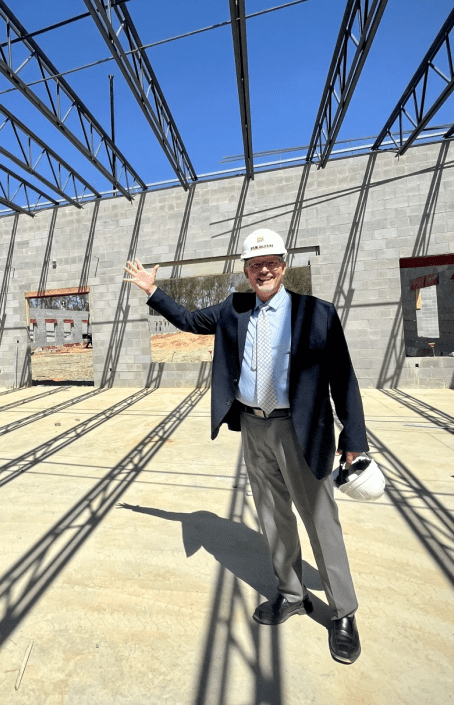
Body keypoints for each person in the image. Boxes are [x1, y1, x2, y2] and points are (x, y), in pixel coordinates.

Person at [123, 228, 368, 665]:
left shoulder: (317, 313)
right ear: (246, 271)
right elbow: (188, 321)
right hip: (255, 427)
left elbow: (342, 377)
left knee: (320, 519)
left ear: (283, 266)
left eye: (271, 262)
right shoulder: (233, 308)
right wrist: (152, 291)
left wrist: (353, 437)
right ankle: (291, 594)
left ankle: (343, 613)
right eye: (256, 265)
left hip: (301, 428)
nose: (264, 271)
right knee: (272, 515)